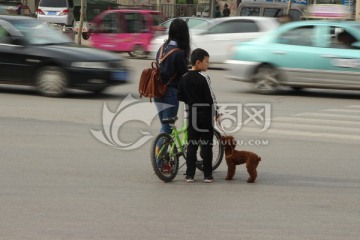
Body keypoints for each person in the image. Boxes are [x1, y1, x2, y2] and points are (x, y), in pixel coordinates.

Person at [178, 48, 220, 183]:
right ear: (198, 62)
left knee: (192, 145)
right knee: (207, 145)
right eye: (206, 62)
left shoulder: (183, 78)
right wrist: (216, 113)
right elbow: (211, 98)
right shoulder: (204, 77)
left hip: (192, 115)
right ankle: (208, 175)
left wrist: (190, 103)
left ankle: (190, 175)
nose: (208, 64)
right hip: (206, 116)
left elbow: (180, 96)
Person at [154, 18, 190, 134]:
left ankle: (162, 151)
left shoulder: (161, 49)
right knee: (167, 128)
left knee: (164, 126)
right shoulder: (178, 53)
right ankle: (158, 152)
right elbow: (185, 75)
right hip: (170, 93)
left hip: (158, 91)